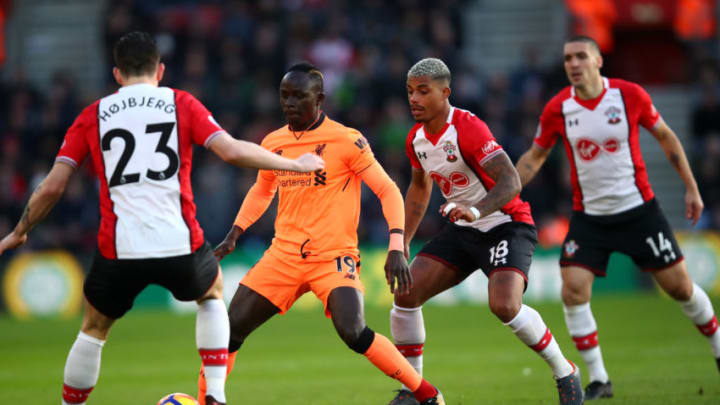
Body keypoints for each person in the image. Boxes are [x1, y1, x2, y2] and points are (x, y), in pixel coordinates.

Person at [0, 32, 324, 405]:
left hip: (118, 248)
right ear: (161, 70)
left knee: (92, 329)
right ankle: (215, 394)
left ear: (117, 73)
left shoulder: (92, 115)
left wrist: (20, 231)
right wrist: (294, 164)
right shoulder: (180, 103)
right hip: (178, 242)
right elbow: (232, 152)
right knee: (211, 295)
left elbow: (53, 187)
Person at [195, 62, 445, 405]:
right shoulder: (274, 141)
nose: (290, 103)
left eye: (299, 96)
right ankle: (209, 400)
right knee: (228, 331)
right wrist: (235, 232)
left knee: (353, 332)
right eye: (285, 96)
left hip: (332, 257)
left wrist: (396, 245)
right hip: (283, 255)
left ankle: (427, 395)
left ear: (320, 99)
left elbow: (387, 190)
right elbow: (262, 190)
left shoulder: (347, 140)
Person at [516, 35, 719, 400]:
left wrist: (691, 188)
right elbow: (535, 157)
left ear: (597, 61)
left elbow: (667, 138)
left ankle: (719, 347)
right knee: (573, 289)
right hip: (589, 217)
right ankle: (599, 379)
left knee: (680, 288)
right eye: (567, 59)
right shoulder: (558, 108)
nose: (573, 64)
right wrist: (508, 192)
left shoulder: (628, 95)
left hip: (639, 211)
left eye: (581, 56)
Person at [387, 57, 584, 405]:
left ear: (445, 92)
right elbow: (419, 190)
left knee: (505, 306)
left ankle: (565, 370)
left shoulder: (467, 127)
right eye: (409, 92)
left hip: (506, 225)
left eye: (423, 91)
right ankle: (415, 392)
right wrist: (401, 241)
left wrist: (476, 209)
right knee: (405, 294)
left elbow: (511, 181)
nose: (414, 99)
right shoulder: (416, 139)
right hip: (463, 231)